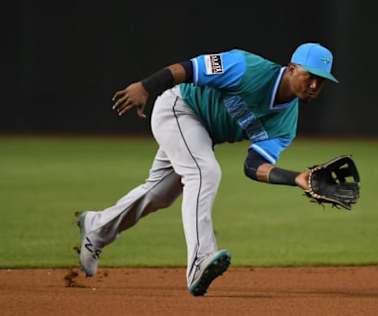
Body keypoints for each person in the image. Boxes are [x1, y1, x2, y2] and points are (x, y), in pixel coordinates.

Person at [76, 42, 339, 296]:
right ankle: (200, 261)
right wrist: (146, 87)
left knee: (159, 194)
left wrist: (296, 178)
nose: (315, 85)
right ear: (292, 68)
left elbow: (254, 166)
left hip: (200, 135)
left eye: (322, 80)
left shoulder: (286, 125)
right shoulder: (246, 66)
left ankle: (97, 227)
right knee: (204, 173)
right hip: (179, 109)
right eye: (310, 76)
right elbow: (188, 68)